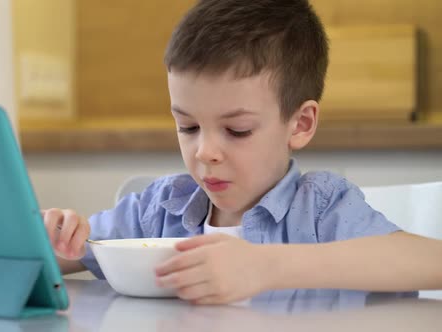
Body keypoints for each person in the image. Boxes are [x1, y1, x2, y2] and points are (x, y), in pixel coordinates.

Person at [43, 0, 442, 305]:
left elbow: (432, 263)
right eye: (188, 127)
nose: (206, 152)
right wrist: (54, 239)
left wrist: (268, 267)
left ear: (299, 124)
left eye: (237, 130)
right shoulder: (161, 211)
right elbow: (56, 262)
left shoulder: (319, 210)